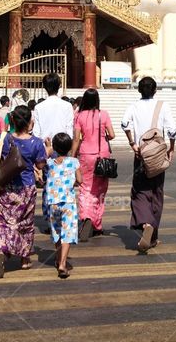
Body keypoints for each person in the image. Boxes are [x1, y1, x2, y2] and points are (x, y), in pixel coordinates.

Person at [0, 105, 47, 278]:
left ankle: (1, 251)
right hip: (27, 187)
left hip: (7, 186)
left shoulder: (4, 138)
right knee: (25, 223)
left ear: (13, 121)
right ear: (30, 121)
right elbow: (40, 164)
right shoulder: (36, 142)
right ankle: (24, 259)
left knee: (4, 221)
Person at [122, 77, 176, 253]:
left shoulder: (133, 106)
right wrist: (171, 149)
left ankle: (145, 223)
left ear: (139, 90)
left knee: (139, 191)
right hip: (158, 155)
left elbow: (124, 124)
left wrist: (133, 144)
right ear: (155, 90)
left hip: (141, 154)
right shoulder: (163, 106)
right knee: (156, 192)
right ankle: (153, 234)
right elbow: (172, 131)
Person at [71, 88, 114, 241]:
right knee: (100, 190)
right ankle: (97, 224)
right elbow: (112, 134)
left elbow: (76, 139)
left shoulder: (79, 115)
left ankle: (86, 216)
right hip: (102, 155)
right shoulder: (104, 114)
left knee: (85, 188)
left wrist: (72, 156)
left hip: (86, 155)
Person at [32, 73, 74, 227]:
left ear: (45, 87)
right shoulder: (67, 105)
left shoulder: (39, 107)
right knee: (64, 181)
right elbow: (70, 129)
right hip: (63, 146)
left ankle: (50, 215)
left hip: (46, 148)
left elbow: (36, 132)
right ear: (59, 86)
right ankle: (64, 213)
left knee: (49, 182)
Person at [44, 131, 81, 279]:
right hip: (68, 202)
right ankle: (62, 264)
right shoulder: (74, 162)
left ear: (55, 148)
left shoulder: (49, 163)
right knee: (68, 232)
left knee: (57, 232)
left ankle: (58, 258)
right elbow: (81, 179)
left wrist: (48, 149)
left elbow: (41, 163)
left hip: (52, 202)